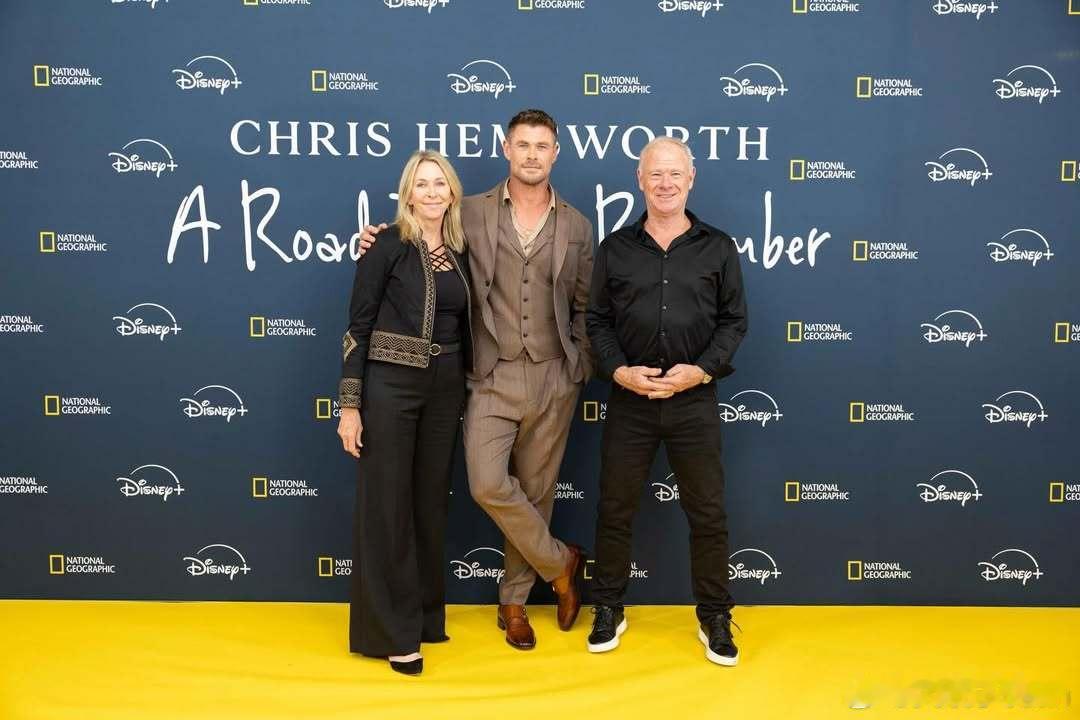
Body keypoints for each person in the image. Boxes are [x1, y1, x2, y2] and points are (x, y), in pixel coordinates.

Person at [359, 109, 594, 650]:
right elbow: (419, 236)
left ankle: (513, 604)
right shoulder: (469, 212)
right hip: (489, 373)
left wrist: (577, 363)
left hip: (554, 375)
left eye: (542, 146)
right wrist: (377, 239)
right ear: (506, 149)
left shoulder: (578, 226)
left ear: (556, 153)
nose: (532, 154)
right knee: (487, 484)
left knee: (536, 492)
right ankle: (561, 563)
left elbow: (585, 304)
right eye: (523, 145)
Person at [585, 137, 748, 666]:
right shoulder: (615, 248)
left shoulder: (718, 247)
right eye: (655, 173)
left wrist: (699, 371)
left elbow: (734, 322)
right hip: (630, 400)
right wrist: (619, 371)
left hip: (693, 399)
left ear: (691, 179)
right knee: (614, 509)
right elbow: (596, 321)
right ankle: (608, 606)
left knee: (707, 512)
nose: (666, 183)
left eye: (675, 173)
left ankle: (714, 615)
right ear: (640, 179)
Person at [336, 150, 472, 675]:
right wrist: (351, 407)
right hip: (391, 386)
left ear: (452, 192)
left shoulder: (461, 248)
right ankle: (393, 634)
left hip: (446, 389)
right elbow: (357, 329)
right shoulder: (386, 245)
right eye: (422, 184)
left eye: (440, 183)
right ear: (407, 194)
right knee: (388, 507)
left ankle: (424, 617)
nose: (432, 192)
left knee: (429, 504)